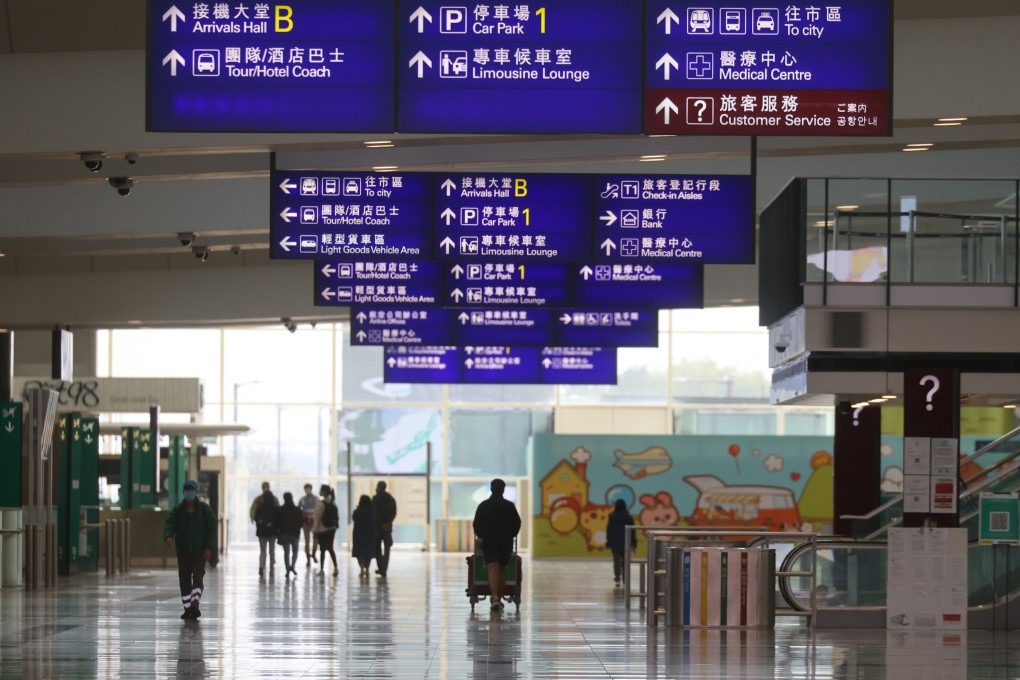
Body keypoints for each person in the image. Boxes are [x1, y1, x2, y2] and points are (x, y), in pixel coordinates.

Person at [163, 479, 216, 620]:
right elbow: (170, 523)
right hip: (183, 551)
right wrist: (168, 535)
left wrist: (209, 547)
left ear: (196, 492)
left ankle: (195, 604)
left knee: (198, 578)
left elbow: (212, 529)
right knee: (184, 580)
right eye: (187, 490)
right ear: (183, 492)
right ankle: (187, 608)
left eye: (192, 490)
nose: (189, 493)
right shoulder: (178, 511)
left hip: (199, 552)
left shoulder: (205, 510)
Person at [472, 479, 521, 612]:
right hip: (505, 542)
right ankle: (498, 598)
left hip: (489, 542)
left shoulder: (483, 506)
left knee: (492, 568)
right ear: (503, 489)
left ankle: (495, 598)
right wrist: (510, 535)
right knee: (502, 569)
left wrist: (483, 536)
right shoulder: (509, 506)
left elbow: (476, 525)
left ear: (491, 489)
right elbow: (517, 523)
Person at [605, 499, 637, 586]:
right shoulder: (629, 517)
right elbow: (632, 531)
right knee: (625, 560)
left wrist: (608, 541)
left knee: (616, 560)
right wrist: (634, 543)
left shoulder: (612, 517)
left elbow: (609, 530)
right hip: (626, 541)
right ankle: (625, 577)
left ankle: (617, 576)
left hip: (614, 541)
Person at [252, 485, 279, 578]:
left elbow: (255, 517)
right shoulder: (275, 508)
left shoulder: (259, 507)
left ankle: (261, 566)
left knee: (262, 550)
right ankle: (271, 567)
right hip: (272, 533)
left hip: (262, 533)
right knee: (272, 550)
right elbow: (278, 519)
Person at [372, 481, 397, 578]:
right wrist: (388, 523)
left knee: (377, 549)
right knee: (387, 550)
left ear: (379, 487)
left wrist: (382, 523)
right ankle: (384, 569)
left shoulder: (375, 499)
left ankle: (381, 567)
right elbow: (394, 512)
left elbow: (374, 512)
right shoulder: (391, 499)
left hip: (378, 527)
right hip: (387, 527)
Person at [313, 485, 339, 576]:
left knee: (323, 549)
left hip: (322, 529)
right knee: (331, 548)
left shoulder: (320, 504)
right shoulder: (333, 502)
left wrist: (315, 530)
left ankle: (322, 569)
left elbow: (316, 518)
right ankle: (335, 567)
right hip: (332, 529)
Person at [276, 491, 303, 578]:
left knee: (286, 552)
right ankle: (292, 566)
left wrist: (278, 534)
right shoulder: (297, 510)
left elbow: (278, 523)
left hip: (285, 534)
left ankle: (287, 569)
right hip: (295, 534)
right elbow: (301, 522)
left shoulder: (280, 510)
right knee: (295, 552)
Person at [351, 494, 378, 578]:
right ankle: (367, 570)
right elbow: (375, 521)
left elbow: (354, 518)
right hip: (370, 535)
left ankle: (362, 568)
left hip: (359, 534)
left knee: (360, 553)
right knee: (368, 553)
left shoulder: (357, 512)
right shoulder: (373, 512)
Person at [299, 483, 319, 567]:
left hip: (314, 521)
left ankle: (314, 553)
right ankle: (308, 558)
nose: (308, 490)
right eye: (306, 489)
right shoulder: (302, 499)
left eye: (309, 488)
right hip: (306, 522)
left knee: (316, 539)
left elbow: (319, 509)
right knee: (307, 540)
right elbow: (299, 510)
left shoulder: (316, 499)